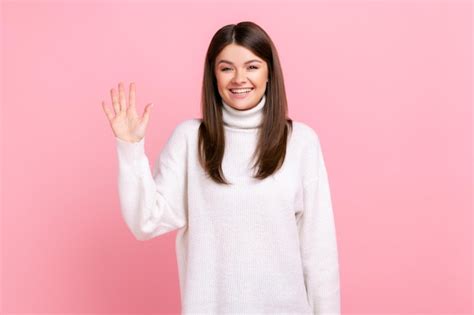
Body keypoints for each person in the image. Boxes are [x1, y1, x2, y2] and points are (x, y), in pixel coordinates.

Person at [102, 21, 340, 315]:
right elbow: (145, 221)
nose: (239, 78)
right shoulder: (191, 139)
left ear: (270, 73)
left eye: (252, 66)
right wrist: (130, 150)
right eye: (226, 68)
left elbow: (319, 253)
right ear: (213, 75)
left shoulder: (301, 142)